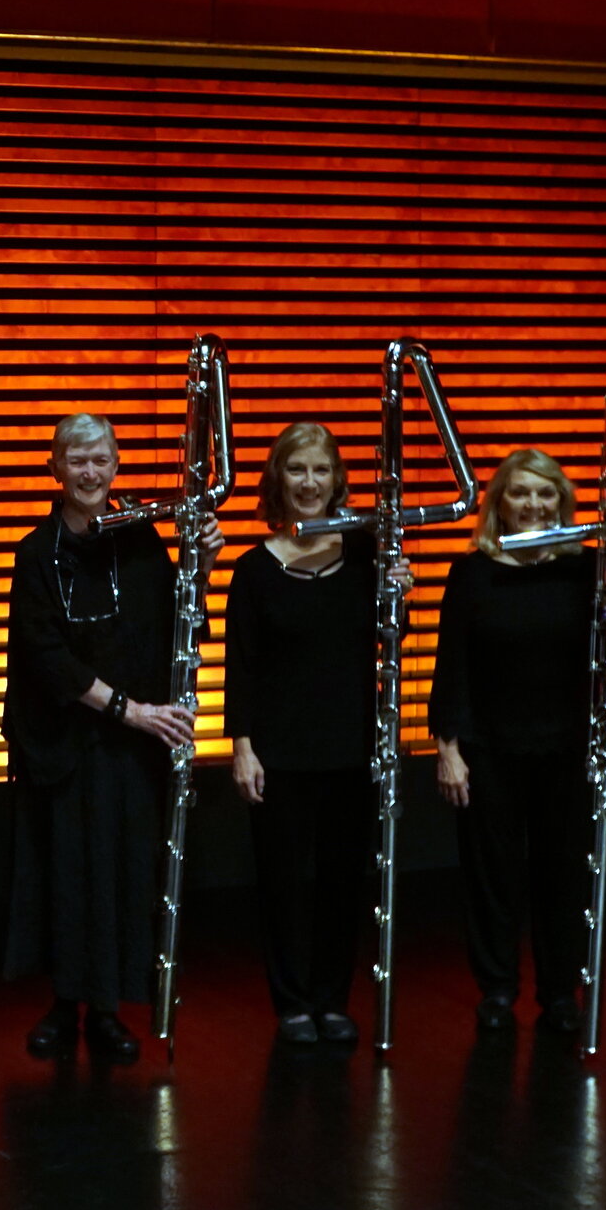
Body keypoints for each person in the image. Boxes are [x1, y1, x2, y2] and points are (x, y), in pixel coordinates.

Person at [1, 412, 222, 1063]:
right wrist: (128, 709)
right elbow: (44, 653)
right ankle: (62, 1005)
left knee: (121, 874)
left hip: (129, 747)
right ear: (55, 468)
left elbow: (180, 620)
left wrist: (202, 562)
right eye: (77, 459)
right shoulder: (34, 551)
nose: (90, 471)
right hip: (61, 741)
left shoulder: (142, 539)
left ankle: (105, 1008)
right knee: (62, 873)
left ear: (116, 463)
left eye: (101, 458)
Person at [428, 447, 606, 1037]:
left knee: (563, 875)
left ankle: (558, 993)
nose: (533, 504)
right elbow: (452, 668)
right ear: (500, 503)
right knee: (492, 876)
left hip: (565, 747)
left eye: (545, 493)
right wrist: (449, 749)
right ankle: (497, 990)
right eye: (520, 493)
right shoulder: (472, 572)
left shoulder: (589, 569)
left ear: (562, 502)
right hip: (489, 749)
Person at [222, 423, 412, 1046]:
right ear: (278, 479)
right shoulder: (252, 570)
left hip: (349, 747)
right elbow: (241, 666)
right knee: (281, 884)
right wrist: (243, 747)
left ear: (338, 481)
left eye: (320, 471)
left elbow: (390, 642)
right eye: (297, 470)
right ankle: (292, 1001)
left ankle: (332, 998)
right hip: (278, 752)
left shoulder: (365, 561)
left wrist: (399, 597)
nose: (309, 483)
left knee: (340, 880)